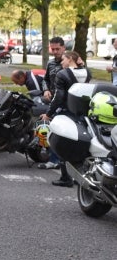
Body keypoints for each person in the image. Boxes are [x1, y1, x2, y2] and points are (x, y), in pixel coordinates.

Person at [41, 50, 91, 187]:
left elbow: (59, 97)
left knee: (63, 143)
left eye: (63, 59)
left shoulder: (62, 74)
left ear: (69, 59)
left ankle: (65, 178)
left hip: (66, 111)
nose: (61, 62)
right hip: (82, 113)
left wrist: (48, 113)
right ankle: (82, 176)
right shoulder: (87, 72)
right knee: (81, 143)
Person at [39, 37, 67, 171]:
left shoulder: (69, 63)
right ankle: (51, 158)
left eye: (57, 49)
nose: (55, 52)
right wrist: (45, 90)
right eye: (53, 49)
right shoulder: (50, 64)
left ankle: (60, 161)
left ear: (64, 48)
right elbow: (45, 80)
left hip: (65, 103)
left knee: (60, 132)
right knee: (45, 128)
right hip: (52, 101)